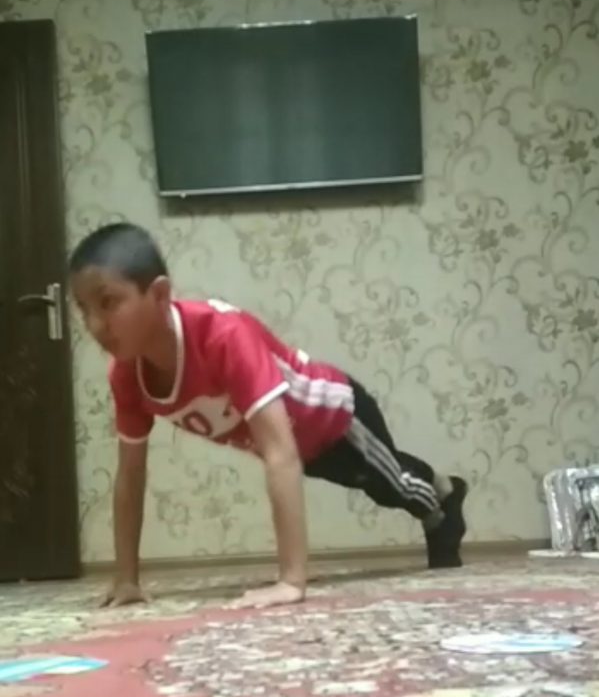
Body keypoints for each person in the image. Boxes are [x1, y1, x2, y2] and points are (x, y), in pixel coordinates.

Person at [69, 223, 467, 609]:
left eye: (108, 303)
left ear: (158, 295)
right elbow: (131, 473)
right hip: (302, 448)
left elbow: (279, 453)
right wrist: (127, 579)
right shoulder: (127, 374)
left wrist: (291, 581)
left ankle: (444, 500)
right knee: (374, 477)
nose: (95, 325)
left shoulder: (223, 335)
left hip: (337, 417)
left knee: (393, 487)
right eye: (83, 309)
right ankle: (440, 485)